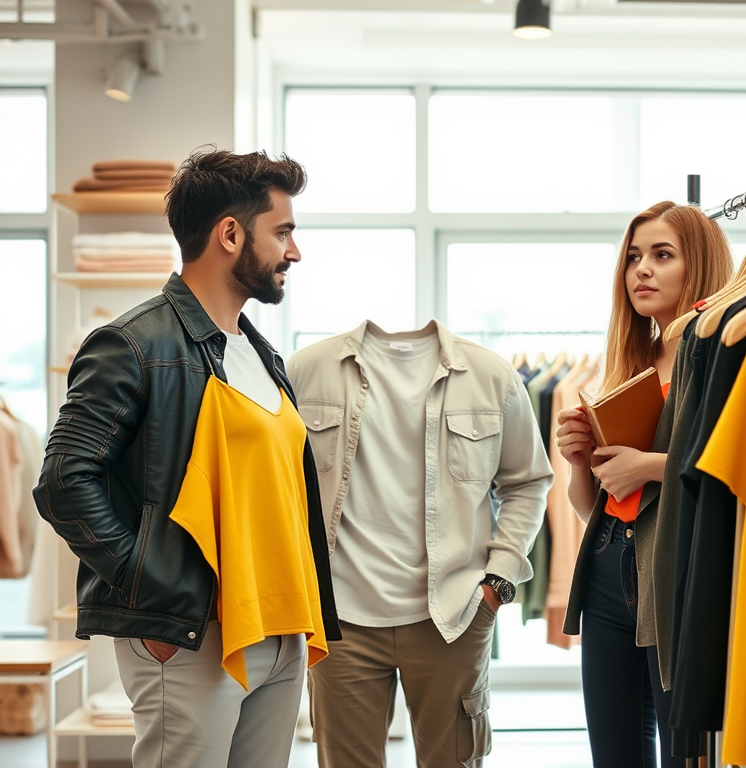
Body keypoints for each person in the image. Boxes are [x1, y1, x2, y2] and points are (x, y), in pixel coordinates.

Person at [33, 148, 341, 768]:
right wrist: (154, 588)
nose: (295, 252)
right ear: (230, 234)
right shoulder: (133, 344)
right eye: (283, 232)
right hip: (192, 632)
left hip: (277, 627)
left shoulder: (262, 355)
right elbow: (64, 480)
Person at [286, 318, 554, 768]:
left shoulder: (492, 376)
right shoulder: (306, 370)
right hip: (340, 623)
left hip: (454, 615)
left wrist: (498, 585)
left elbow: (527, 483)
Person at [555, 202, 733, 767]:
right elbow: (592, 508)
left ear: (697, 265)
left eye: (662, 255)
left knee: (688, 754)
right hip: (608, 566)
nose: (642, 271)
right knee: (614, 754)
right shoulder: (628, 363)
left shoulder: (723, 355)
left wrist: (650, 464)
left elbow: (742, 464)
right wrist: (581, 460)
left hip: (676, 573)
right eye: (633, 257)